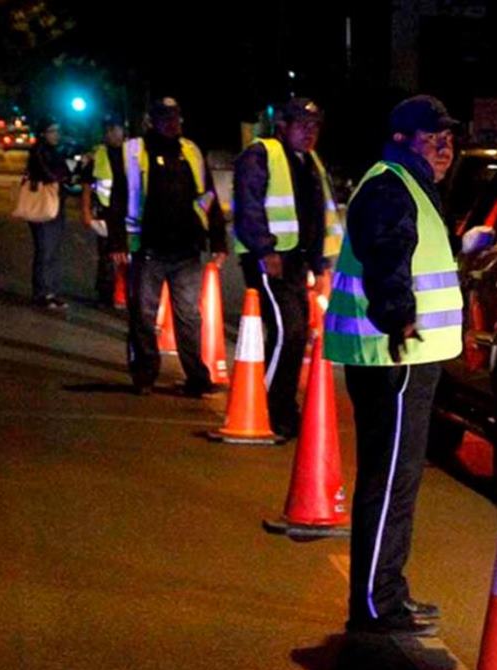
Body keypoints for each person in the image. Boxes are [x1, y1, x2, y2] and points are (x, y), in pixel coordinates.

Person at [324, 95, 462, 636]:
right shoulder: (390, 187)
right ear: (403, 139)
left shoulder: (407, 185)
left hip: (401, 356)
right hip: (396, 356)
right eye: (434, 138)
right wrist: (398, 317)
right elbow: (387, 254)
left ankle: (386, 594)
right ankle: (378, 604)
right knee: (390, 483)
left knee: (395, 482)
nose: (446, 147)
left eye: (449, 137)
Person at [232, 97, 342, 438]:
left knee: (294, 336)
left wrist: (321, 264)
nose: (310, 133)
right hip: (270, 260)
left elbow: (320, 214)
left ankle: (282, 408)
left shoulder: (312, 163)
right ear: (283, 126)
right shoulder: (261, 154)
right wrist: (265, 250)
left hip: (297, 261)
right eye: (302, 125)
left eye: (315, 126)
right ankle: (266, 407)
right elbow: (248, 205)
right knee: (287, 331)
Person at [118, 97, 227, 396]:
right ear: (152, 121)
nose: (172, 124)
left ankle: (197, 378)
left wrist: (217, 239)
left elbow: (208, 196)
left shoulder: (191, 151)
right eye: (165, 118)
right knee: (143, 315)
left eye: (176, 118)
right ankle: (144, 375)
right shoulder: (134, 151)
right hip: (149, 248)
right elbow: (120, 196)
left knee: (189, 317)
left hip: (186, 250)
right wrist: (117, 241)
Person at [81, 115, 128, 307]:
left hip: (127, 213)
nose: (115, 135)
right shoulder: (98, 155)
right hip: (105, 212)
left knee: (128, 255)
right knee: (107, 256)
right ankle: (105, 295)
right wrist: (85, 211)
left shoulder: (131, 153)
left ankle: (124, 293)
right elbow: (86, 184)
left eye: (118, 130)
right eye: (111, 131)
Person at [26, 120, 70, 309]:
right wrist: (62, 176)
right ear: (43, 133)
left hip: (57, 204)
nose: (56, 135)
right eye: (52, 131)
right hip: (42, 206)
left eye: (58, 131)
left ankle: (52, 291)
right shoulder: (38, 152)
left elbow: (66, 174)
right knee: (45, 250)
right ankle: (41, 293)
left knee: (54, 251)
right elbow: (50, 175)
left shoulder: (56, 151)